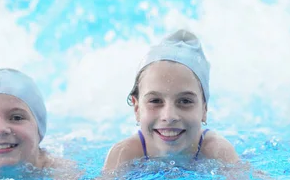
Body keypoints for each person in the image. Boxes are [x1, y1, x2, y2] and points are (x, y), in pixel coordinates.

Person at [104, 29, 246, 171]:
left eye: (185, 101)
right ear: (137, 108)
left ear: (204, 109)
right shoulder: (124, 154)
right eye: (155, 101)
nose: (169, 116)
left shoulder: (218, 151)